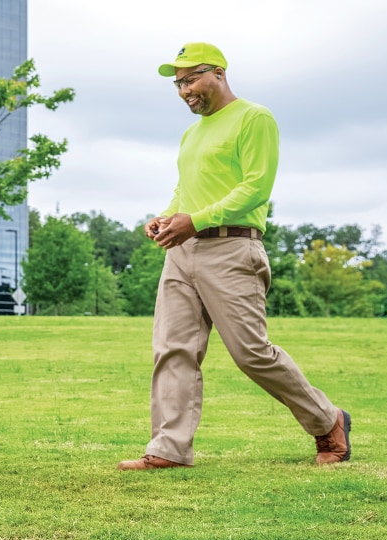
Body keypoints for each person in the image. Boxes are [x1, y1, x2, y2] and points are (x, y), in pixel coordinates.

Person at [117, 42, 351, 471]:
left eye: (191, 79)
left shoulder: (254, 118)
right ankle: (169, 448)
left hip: (231, 248)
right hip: (182, 251)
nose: (185, 90)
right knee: (173, 350)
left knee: (251, 353)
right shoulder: (191, 134)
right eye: (178, 83)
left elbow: (255, 189)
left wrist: (197, 219)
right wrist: (168, 217)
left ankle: (329, 421)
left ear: (218, 73)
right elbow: (186, 190)